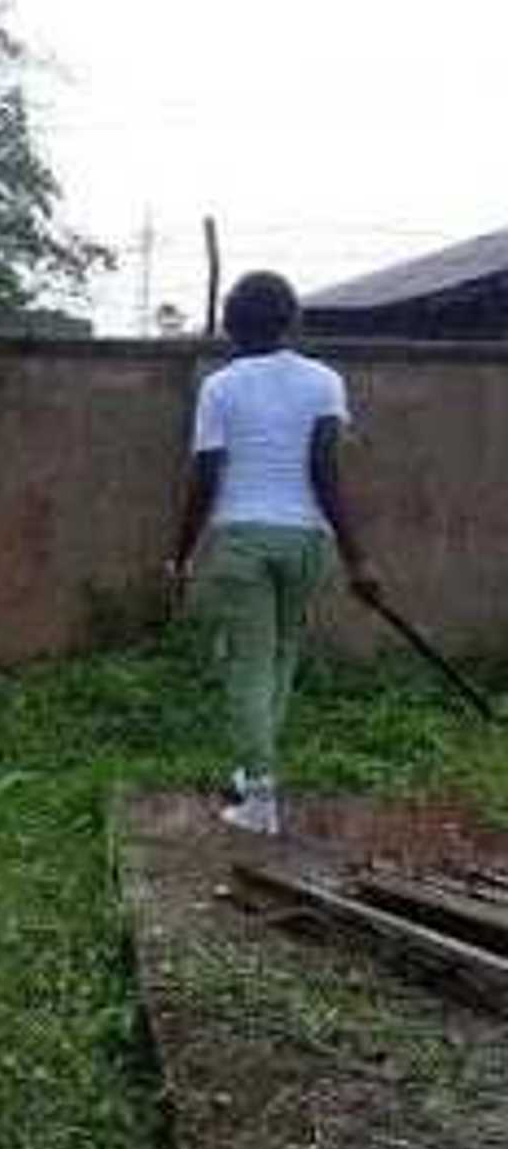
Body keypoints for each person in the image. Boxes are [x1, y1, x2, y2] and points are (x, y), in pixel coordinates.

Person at [169, 270, 380, 835]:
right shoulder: (325, 382)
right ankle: (249, 774)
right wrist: (358, 557)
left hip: (242, 538)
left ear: (229, 327)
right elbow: (326, 473)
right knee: (280, 658)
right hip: (309, 539)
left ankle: (259, 797)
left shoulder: (220, 387)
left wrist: (181, 554)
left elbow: (205, 478)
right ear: (293, 320)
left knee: (245, 665)